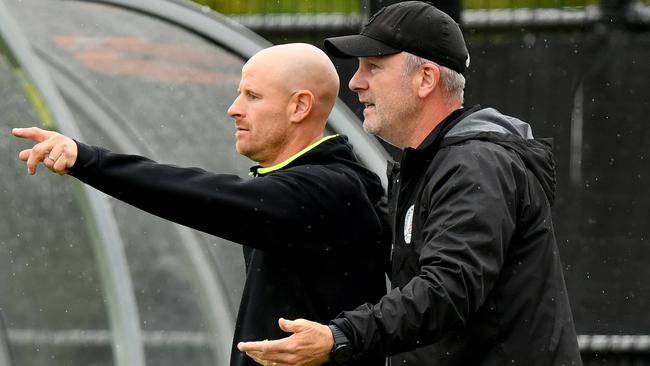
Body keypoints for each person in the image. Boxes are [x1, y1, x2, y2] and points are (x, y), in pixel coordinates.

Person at [238, 2, 583, 366]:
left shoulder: (474, 163)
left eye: (374, 66)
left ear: (426, 79)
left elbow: (447, 291)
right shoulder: (431, 165)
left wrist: (340, 336)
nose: (356, 81)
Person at [12, 43, 388, 366]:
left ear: (300, 106)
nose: (233, 109)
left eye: (253, 97)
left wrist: (88, 160)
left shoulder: (325, 190)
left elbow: (197, 196)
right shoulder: (324, 182)